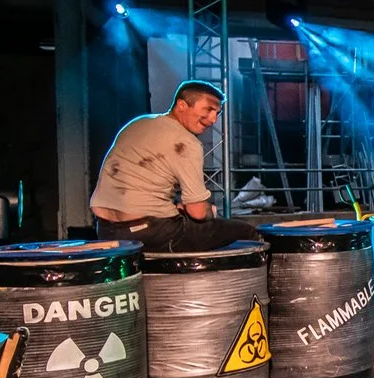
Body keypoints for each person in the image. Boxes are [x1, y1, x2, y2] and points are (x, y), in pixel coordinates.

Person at [89, 81, 263, 253]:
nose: (213, 119)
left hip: (107, 230)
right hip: (152, 231)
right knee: (244, 231)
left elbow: (140, 181)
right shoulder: (186, 142)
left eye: (217, 113)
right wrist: (210, 211)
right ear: (181, 105)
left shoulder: (137, 124)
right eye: (208, 110)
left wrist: (175, 207)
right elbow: (197, 212)